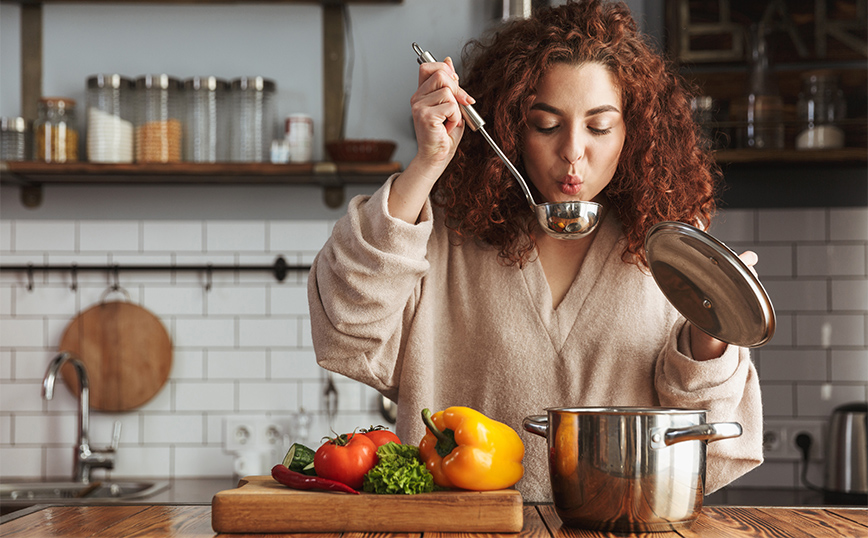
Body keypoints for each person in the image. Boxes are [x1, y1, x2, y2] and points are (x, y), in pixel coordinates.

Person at [308, 0, 763, 501]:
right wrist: (427, 163)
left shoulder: (672, 250)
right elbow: (346, 327)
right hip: (463, 533)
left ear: (634, 132)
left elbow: (710, 434)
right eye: (546, 124)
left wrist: (712, 327)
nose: (572, 150)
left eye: (599, 126)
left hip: (618, 530)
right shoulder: (444, 236)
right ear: (509, 127)